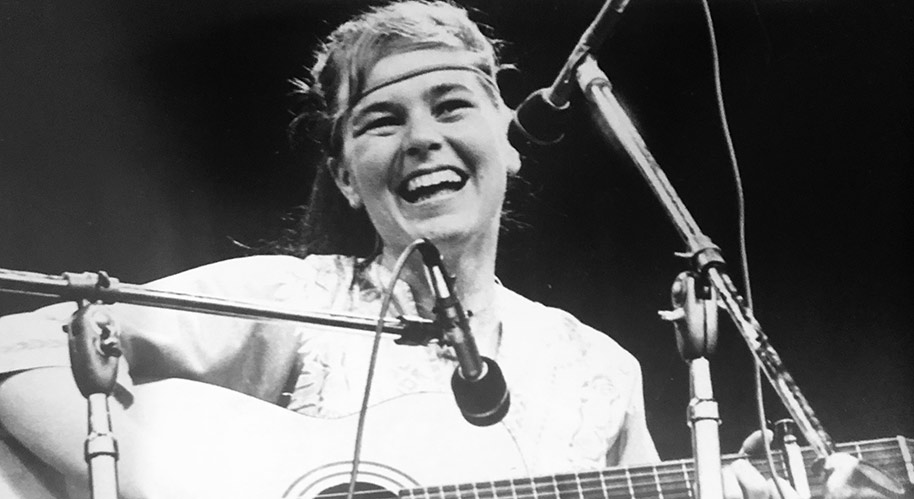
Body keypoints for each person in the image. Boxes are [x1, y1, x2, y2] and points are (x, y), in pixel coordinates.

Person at [0, 2, 895, 498]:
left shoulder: (597, 370)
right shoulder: (303, 300)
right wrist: (157, 481)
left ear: (508, 138)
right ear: (349, 178)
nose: (422, 138)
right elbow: (19, 347)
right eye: (382, 121)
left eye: (450, 106)